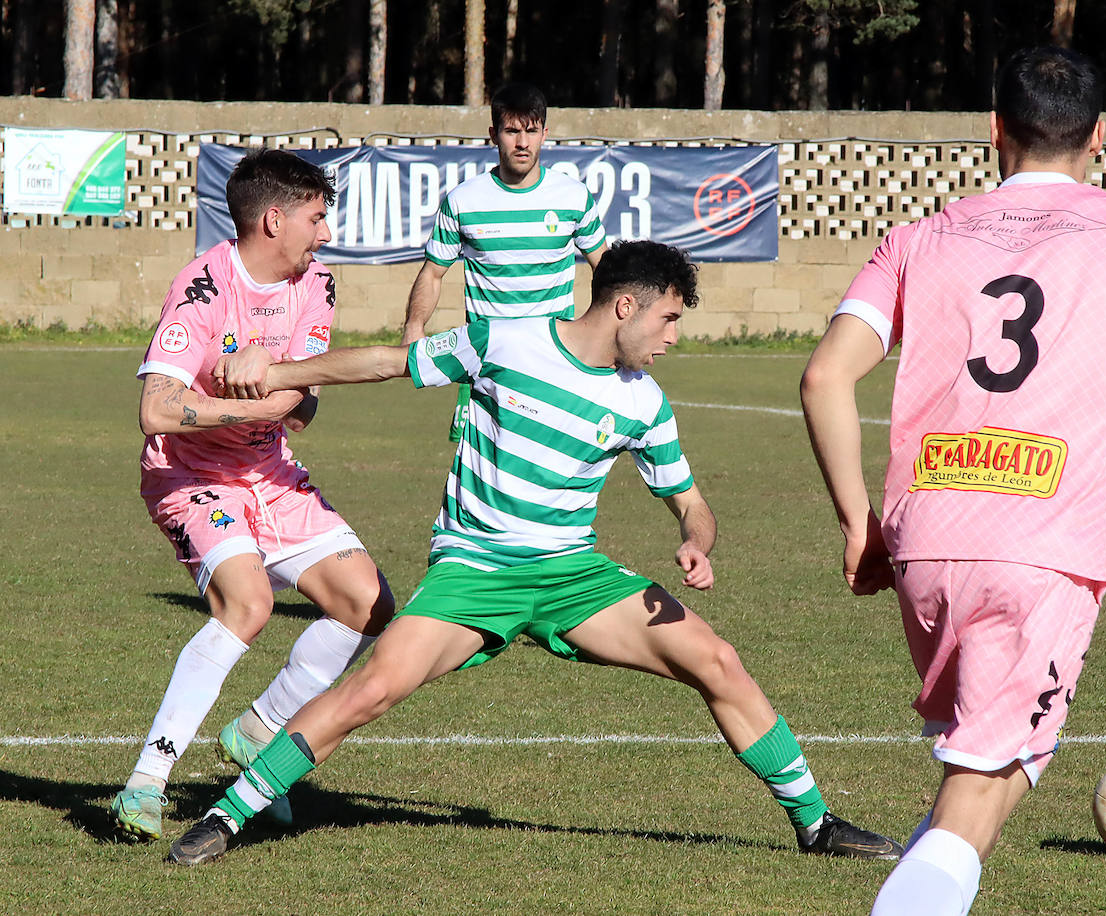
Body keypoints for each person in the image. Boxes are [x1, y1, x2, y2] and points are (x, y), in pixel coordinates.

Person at [167, 240, 902, 866]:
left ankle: (815, 823)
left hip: (572, 576)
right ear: (625, 306)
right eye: (669, 318)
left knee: (718, 661)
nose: (674, 336)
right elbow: (389, 363)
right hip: (476, 571)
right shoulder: (505, 340)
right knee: (370, 692)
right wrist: (279, 372)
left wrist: (694, 540)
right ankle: (229, 815)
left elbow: (692, 503)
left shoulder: (644, 402)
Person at [800, 47, 1106, 916]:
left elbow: (826, 376)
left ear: (993, 130)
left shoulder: (918, 236)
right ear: (1101, 136)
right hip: (1042, 546)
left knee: (973, 774)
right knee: (986, 782)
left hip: (928, 539)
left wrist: (858, 522)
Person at [111, 148, 395, 842]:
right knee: (250, 602)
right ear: (274, 219)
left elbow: (301, 400)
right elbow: (156, 409)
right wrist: (246, 406)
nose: (325, 232)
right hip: (190, 475)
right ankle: (146, 782)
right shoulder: (202, 287)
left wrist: (273, 385)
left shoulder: (317, 284)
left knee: (370, 604)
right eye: (316, 217)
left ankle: (260, 727)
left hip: (271, 473)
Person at [403, 81, 607, 443]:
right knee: (480, 467)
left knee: (551, 463)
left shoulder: (574, 197)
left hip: (555, 357)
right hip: (487, 361)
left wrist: (607, 333)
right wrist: (414, 327)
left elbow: (605, 269)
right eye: (512, 131)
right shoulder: (464, 201)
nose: (523, 142)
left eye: (531, 131)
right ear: (493, 135)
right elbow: (432, 274)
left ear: (546, 133)